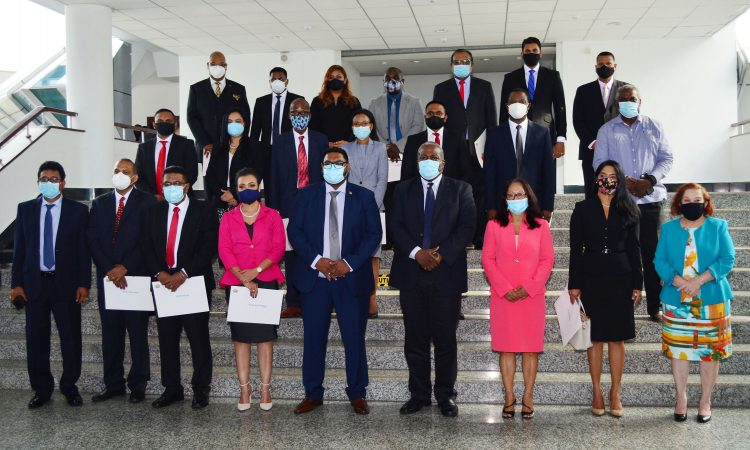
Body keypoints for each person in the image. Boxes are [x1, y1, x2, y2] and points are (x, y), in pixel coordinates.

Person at [286, 149, 382, 416]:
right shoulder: (307, 195)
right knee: (314, 339)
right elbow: (295, 230)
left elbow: (374, 233)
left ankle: (357, 393)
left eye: (338, 163)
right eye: (327, 163)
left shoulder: (364, 196)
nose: (332, 167)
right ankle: (313, 393)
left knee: (354, 339)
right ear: (321, 166)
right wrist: (316, 260)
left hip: (351, 280)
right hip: (315, 280)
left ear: (347, 167)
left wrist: (347, 263)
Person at [389, 142, 476, 417]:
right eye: (423, 157)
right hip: (411, 273)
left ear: (443, 162)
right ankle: (419, 394)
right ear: (416, 162)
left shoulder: (461, 189)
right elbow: (394, 226)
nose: (428, 160)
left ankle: (445, 396)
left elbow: (467, 226)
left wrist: (442, 255)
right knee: (414, 338)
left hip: (446, 274)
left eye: (433, 156)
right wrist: (417, 254)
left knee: (445, 339)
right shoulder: (402, 189)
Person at [10, 161, 90, 408]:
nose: (49, 183)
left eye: (54, 179)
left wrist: (84, 283)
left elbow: (83, 251)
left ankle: (69, 386)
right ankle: (41, 389)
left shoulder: (77, 211)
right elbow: (19, 250)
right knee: (36, 339)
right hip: (35, 285)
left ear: (63, 183)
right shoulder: (26, 210)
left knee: (70, 338)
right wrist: (16, 284)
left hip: (65, 284)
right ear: (38, 182)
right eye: (44, 179)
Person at [654, 183, 735, 423]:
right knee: (679, 351)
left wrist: (699, 281)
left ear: (706, 202)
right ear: (679, 204)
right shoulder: (668, 230)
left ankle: (705, 401)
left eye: (697, 199)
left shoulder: (718, 226)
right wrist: (678, 280)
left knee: (710, 353)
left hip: (711, 300)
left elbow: (728, 258)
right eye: (686, 201)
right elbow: (659, 260)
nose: (692, 204)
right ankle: (681, 398)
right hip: (676, 300)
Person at [568, 160, 643, 418]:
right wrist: (574, 284)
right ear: (595, 179)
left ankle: (616, 392)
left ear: (619, 180)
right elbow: (575, 249)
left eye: (612, 176)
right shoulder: (582, 208)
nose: (607, 180)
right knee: (595, 337)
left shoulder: (629, 208)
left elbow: (635, 248)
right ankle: (597, 390)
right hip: (591, 276)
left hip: (621, 276)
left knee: (617, 338)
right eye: (602, 175)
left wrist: (638, 283)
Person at [593, 84, 674, 322]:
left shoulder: (654, 126)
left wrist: (649, 180)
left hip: (652, 200)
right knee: (625, 254)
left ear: (640, 101)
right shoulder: (607, 130)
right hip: (621, 201)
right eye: (623, 99)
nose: (628, 102)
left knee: (653, 254)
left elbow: (667, 158)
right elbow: (599, 164)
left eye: (632, 98)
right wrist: (622, 182)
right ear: (617, 103)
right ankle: (624, 304)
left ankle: (655, 306)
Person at [141, 166, 217, 409]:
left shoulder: (203, 209)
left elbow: (209, 247)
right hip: (163, 284)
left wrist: (183, 273)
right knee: (167, 339)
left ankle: (200, 389)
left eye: (176, 182)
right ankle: (172, 388)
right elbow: (147, 246)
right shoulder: (153, 211)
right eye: (167, 183)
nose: (171, 187)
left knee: (198, 339)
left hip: (193, 282)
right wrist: (160, 273)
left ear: (187, 185)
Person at [482, 179, 553, 420]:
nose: (515, 199)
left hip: (531, 297)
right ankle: (509, 397)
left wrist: (530, 287)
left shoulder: (541, 226)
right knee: (507, 349)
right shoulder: (493, 225)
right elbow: (488, 260)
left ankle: (528, 397)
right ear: (504, 199)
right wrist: (504, 287)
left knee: (531, 350)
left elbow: (547, 261)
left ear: (528, 196)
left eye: (519, 194)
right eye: (511, 196)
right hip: (503, 297)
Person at [87, 159, 156, 404]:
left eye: (125, 172)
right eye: (116, 171)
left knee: (138, 334)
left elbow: (149, 241)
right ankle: (113, 384)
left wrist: (125, 267)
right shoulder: (99, 203)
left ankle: (138, 384)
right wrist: (110, 268)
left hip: (135, 278)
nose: (120, 175)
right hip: (108, 279)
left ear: (135, 178)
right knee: (111, 335)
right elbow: (92, 239)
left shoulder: (148, 203)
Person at [218, 168, 286, 412]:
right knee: (241, 340)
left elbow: (278, 248)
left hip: (266, 279)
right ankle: (245, 388)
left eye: (251, 184)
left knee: (265, 339)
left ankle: (265, 388)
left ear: (259, 186)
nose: (247, 189)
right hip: (236, 283)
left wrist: (256, 271)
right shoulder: (227, 218)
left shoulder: (273, 215)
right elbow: (224, 250)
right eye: (242, 186)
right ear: (237, 190)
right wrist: (244, 278)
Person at [267, 98, 328, 318]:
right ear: (289, 115)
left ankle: (313, 297)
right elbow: (273, 177)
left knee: (314, 250)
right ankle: (293, 301)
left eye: (304, 111)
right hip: (287, 206)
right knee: (291, 254)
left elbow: (325, 175)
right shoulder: (280, 142)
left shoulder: (321, 140)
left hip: (315, 204)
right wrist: (273, 212)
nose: (299, 115)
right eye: (295, 112)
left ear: (310, 114)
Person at [433, 49, 496, 248]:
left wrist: (491, 149)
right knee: (452, 196)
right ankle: (454, 237)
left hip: (478, 151)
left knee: (478, 195)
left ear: (472, 64)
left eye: (465, 61)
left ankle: (478, 237)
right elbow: (438, 122)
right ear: (451, 65)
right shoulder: (441, 88)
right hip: (452, 151)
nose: (461, 64)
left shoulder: (484, 87)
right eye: (457, 61)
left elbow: (491, 120)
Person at [342, 109, 388, 318]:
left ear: (371, 126)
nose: (360, 126)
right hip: (350, 209)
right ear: (352, 127)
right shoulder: (345, 148)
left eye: (364, 123)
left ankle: (372, 299)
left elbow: (382, 179)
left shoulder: (380, 148)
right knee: (351, 252)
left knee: (373, 256)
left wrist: (370, 206)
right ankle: (352, 297)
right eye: (356, 123)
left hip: (375, 208)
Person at [484, 88, 555, 221]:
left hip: (534, 202)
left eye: (522, 101)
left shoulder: (542, 133)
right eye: (513, 102)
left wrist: (548, 206)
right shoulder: (494, 134)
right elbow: (489, 173)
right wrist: (490, 206)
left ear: (528, 106)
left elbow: (548, 173)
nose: (517, 105)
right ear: (507, 106)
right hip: (502, 203)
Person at [572, 51, 628, 199]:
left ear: (615, 66)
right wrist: (593, 142)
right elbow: (578, 121)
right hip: (591, 150)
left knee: (620, 193)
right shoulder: (583, 91)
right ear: (595, 66)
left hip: (620, 150)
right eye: (601, 64)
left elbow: (630, 119)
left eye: (608, 64)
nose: (604, 66)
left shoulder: (626, 89)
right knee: (592, 192)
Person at [500, 37, 567, 159]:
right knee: (519, 174)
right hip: (517, 133)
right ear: (522, 54)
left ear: (541, 53)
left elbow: (560, 108)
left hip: (545, 133)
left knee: (545, 174)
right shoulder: (510, 78)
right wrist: (503, 137)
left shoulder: (553, 76)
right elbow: (504, 110)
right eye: (527, 51)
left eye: (535, 50)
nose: (531, 53)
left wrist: (561, 139)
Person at [187, 51, 251, 161]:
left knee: (233, 177)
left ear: (226, 67)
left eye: (221, 64)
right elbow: (192, 118)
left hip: (233, 147)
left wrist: (239, 141)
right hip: (206, 149)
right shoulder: (196, 89)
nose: (217, 67)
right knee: (208, 178)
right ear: (208, 66)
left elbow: (246, 117)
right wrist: (205, 143)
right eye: (213, 64)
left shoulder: (238, 89)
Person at [204, 108, 265, 219]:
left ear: (244, 123)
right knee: (221, 235)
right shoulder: (218, 147)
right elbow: (210, 176)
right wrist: (222, 194)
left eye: (238, 121)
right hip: (220, 202)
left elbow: (257, 175)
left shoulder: (256, 147)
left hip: (246, 200)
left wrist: (233, 193)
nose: (234, 124)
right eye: (229, 122)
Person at [249, 67, 304, 178]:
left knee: (288, 182)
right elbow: (255, 130)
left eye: (281, 79)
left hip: (290, 150)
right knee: (270, 185)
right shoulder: (261, 102)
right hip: (267, 152)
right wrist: (253, 153)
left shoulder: (297, 100)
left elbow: (302, 127)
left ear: (286, 81)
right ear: (269, 82)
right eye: (273, 79)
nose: (277, 82)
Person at [135, 108, 198, 200]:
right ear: (154, 125)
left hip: (180, 198)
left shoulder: (186, 144)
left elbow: (192, 173)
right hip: (151, 200)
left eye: (168, 121)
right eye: (160, 121)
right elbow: (138, 176)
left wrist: (174, 192)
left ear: (175, 124)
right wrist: (153, 196)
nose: (164, 123)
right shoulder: (144, 148)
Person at [401, 100, 472, 182]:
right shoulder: (413, 140)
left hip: (451, 188)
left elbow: (466, 169)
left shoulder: (457, 139)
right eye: (430, 113)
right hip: (420, 189)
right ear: (425, 117)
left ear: (445, 118)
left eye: (439, 113)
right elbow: (407, 171)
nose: (434, 116)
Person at [368, 67, 424, 162]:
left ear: (402, 81)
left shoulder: (414, 102)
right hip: (382, 152)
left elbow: (418, 126)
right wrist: (386, 147)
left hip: (408, 150)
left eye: (395, 78)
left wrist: (398, 146)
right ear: (384, 82)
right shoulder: (374, 103)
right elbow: (371, 127)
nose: (391, 81)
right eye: (388, 78)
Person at [309, 65, 361, 147]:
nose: (335, 79)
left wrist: (349, 142)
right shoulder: (317, 101)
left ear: (345, 80)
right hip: (324, 147)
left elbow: (358, 125)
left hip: (348, 148)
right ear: (326, 80)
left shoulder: (354, 101)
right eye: (331, 77)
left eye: (338, 77)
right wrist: (324, 143)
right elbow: (313, 126)